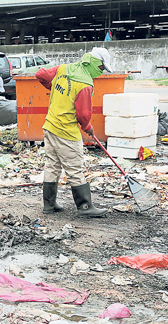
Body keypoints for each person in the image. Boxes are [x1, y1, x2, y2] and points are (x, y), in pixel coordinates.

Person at [35, 47, 113, 218]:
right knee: (75, 168)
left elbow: (41, 74)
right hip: (66, 132)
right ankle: (85, 207)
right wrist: (88, 128)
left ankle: (49, 205)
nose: (100, 72)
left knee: (52, 165)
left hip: (50, 126)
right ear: (94, 63)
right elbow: (84, 115)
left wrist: (54, 88)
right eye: (101, 68)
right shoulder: (85, 83)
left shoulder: (64, 69)